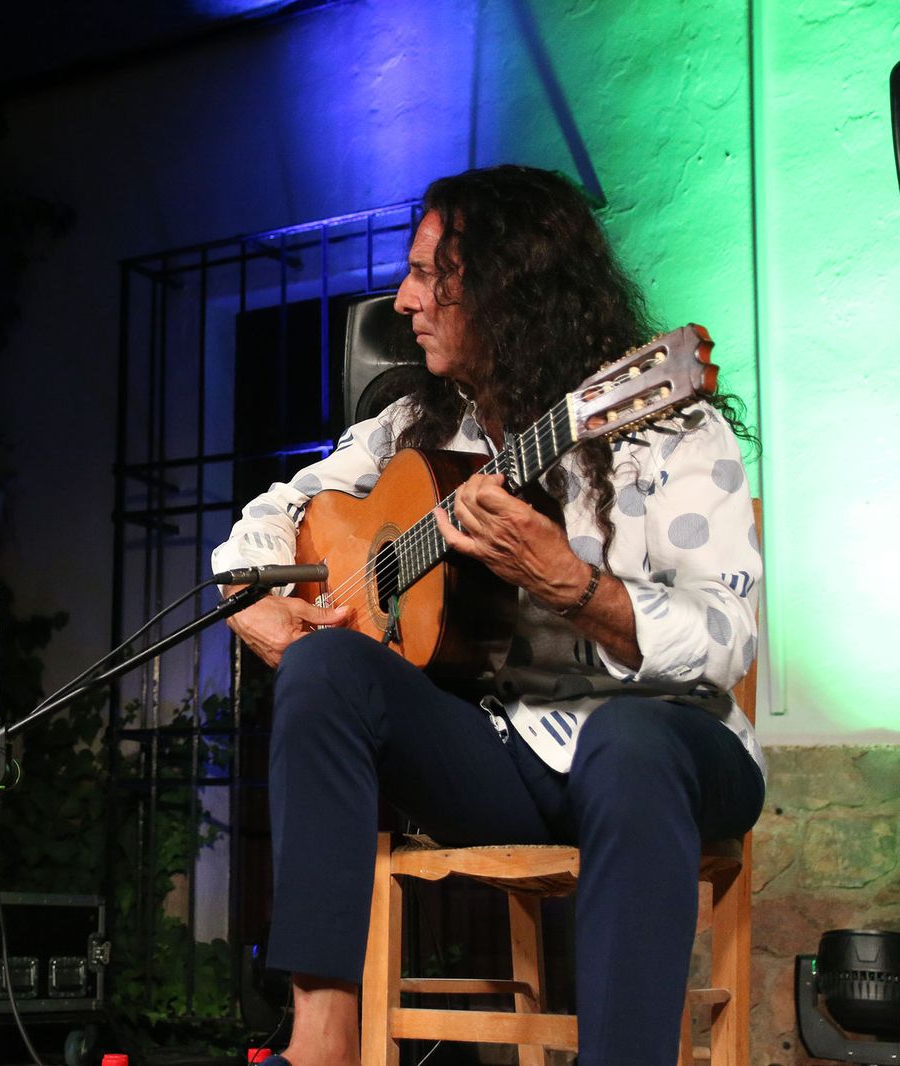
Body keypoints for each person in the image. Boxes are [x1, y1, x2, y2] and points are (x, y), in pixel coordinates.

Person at [211, 166, 765, 1066]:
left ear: (511, 284)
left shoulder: (661, 425)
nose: (405, 299)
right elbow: (275, 511)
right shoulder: (415, 425)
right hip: (505, 755)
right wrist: (253, 604)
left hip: (672, 758)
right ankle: (323, 1035)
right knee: (325, 669)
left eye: (432, 274)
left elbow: (725, 637)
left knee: (626, 741)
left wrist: (572, 587)